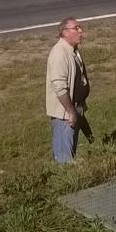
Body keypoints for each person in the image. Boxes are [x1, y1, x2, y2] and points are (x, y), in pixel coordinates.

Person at [45, 16, 90, 163]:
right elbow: (59, 87)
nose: (81, 31)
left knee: (70, 151)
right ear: (65, 32)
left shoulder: (73, 51)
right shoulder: (59, 53)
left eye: (80, 27)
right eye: (76, 28)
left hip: (74, 110)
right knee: (64, 159)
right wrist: (71, 112)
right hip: (65, 115)